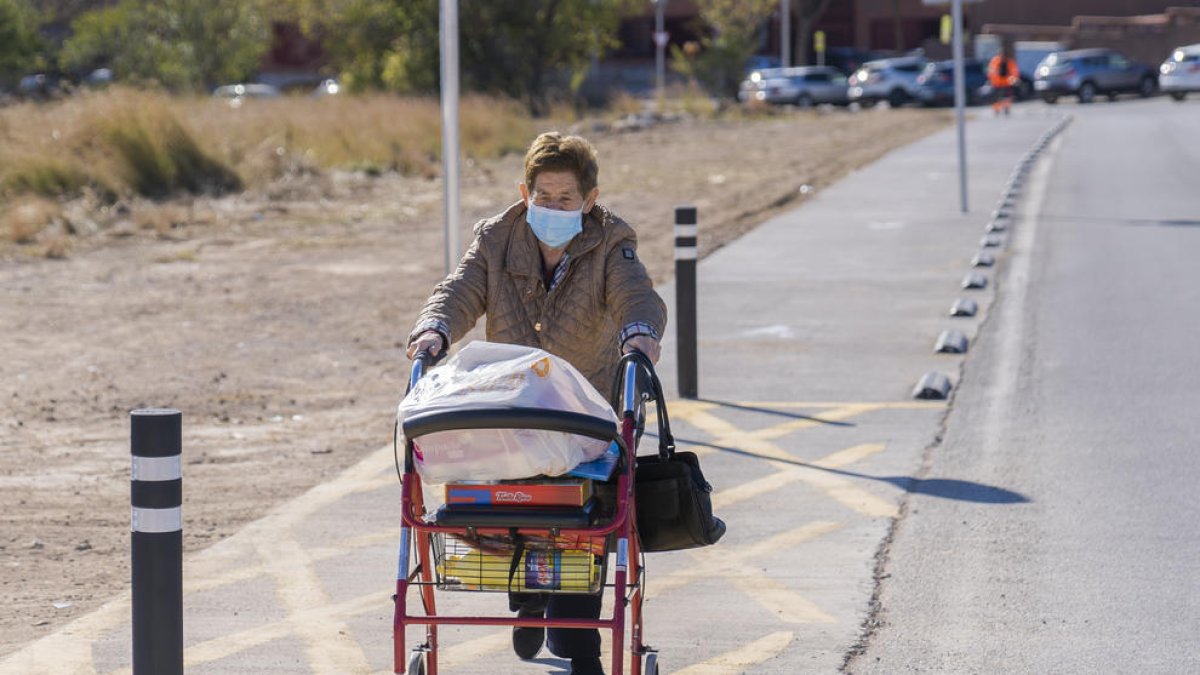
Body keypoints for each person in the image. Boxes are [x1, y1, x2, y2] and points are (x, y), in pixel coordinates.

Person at [406, 132, 666, 675]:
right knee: (513, 513)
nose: (551, 208)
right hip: (511, 412)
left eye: (565, 199)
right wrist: (433, 328)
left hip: (579, 415)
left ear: (589, 200)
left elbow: (635, 294)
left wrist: (639, 334)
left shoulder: (609, 243)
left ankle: (584, 648)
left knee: (582, 521)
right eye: (541, 197)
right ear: (524, 192)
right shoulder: (497, 240)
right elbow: (459, 290)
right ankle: (527, 601)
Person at [988, 45, 1020, 116]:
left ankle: (1005, 108)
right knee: (998, 98)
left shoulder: (1005, 61)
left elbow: (1014, 72)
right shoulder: (996, 61)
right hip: (999, 82)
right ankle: (998, 109)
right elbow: (992, 72)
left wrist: (1013, 79)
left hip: (1004, 82)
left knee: (1005, 97)